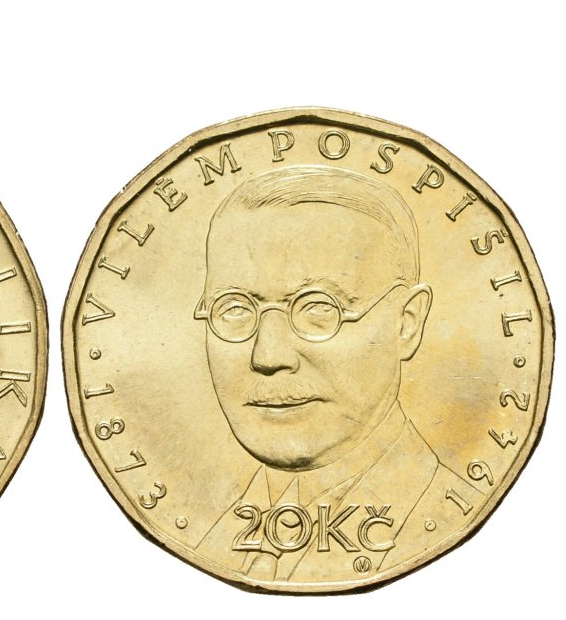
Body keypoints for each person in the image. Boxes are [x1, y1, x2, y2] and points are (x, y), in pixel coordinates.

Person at [193, 165, 480, 583]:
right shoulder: (209, 531)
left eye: (318, 308)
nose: (267, 355)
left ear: (406, 323)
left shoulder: (438, 513)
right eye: (234, 308)